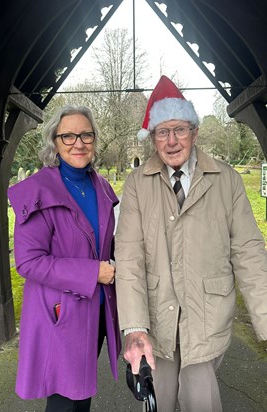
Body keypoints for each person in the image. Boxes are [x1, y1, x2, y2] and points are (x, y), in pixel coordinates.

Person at [115, 75, 267, 412]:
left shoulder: (226, 179)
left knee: (202, 401)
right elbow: (128, 258)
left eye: (180, 130)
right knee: (161, 400)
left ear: (194, 132)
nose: (172, 141)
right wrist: (135, 327)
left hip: (207, 315)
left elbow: (248, 252)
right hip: (157, 318)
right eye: (162, 132)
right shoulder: (137, 184)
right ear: (152, 138)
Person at [8, 105, 121, 412]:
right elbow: (28, 261)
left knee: (81, 395)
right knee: (63, 402)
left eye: (86, 134)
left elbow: (106, 242)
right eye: (68, 136)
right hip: (60, 315)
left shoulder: (101, 186)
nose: (78, 143)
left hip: (96, 313)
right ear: (54, 142)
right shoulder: (37, 191)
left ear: (94, 140)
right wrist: (92, 272)